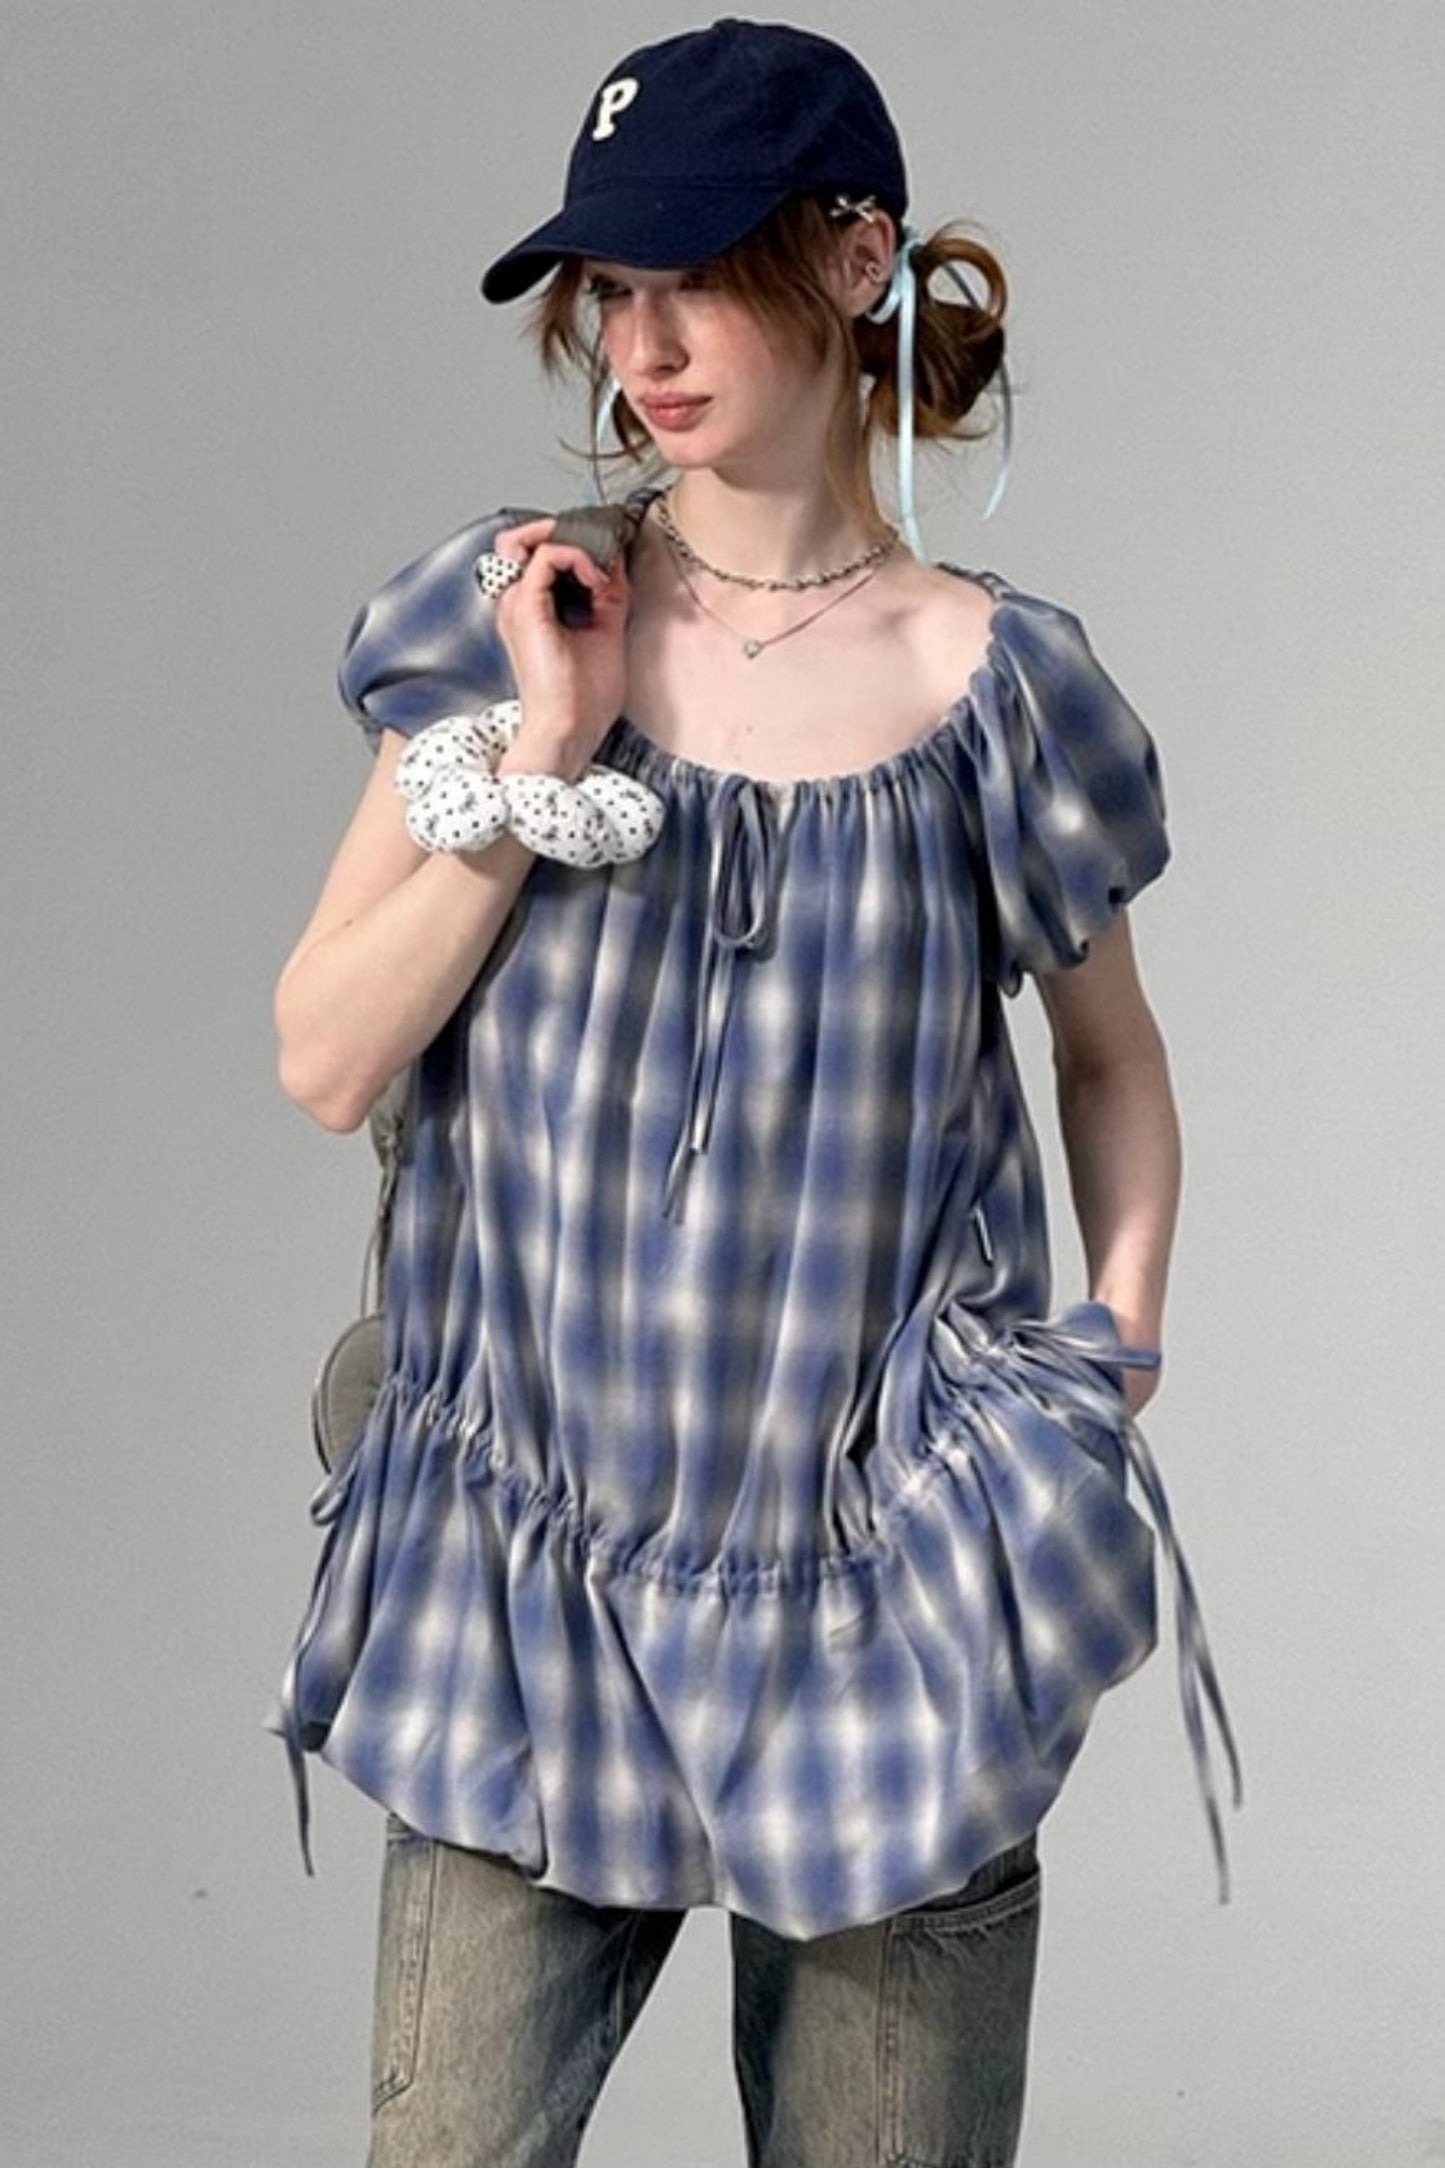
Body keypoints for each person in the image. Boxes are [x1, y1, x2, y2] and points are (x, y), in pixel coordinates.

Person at [268, 19, 1242, 2166]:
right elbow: (328, 1055)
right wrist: (545, 752)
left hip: (889, 1608)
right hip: (529, 1592)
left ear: (854, 257)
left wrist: (1111, 1362)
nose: (643, 343)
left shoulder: (1001, 692)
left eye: (696, 276)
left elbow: (1112, 1061)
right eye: (610, 288)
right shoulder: (518, 613)